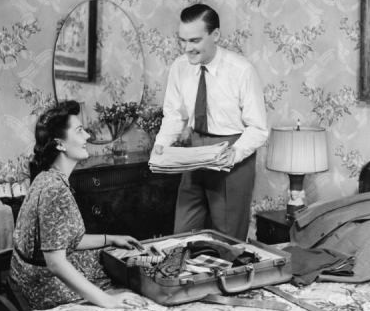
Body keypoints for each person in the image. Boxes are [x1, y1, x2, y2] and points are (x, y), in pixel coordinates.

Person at [10, 101, 146, 310]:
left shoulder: (45, 177)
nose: (88, 137)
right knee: (127, 292)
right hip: (41, 285)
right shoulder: (55, 190)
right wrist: (108, 301)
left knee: (112, 258)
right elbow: (56, 263)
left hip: (24, 276)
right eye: (80, 131)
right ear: (60, 144)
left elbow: (60, 240)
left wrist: (110, 239)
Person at [153, 4, 268, 241]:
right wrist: (161, 145)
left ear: (215, 35)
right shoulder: (179, 67)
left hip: (232, 154)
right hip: (195, 151)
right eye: (182, 40)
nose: (187, 48)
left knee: (227, 240)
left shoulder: (241, 70)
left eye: (194, 40)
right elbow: (175, 114)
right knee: (182, 235)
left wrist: (235, 153)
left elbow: (258, 128)